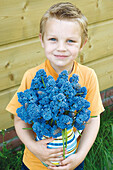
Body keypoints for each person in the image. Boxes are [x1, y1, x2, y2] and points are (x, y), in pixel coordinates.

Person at [6, 2, 104, 170]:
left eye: (70, 41)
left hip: (71, 161)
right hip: (35, 163)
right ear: (42, 40)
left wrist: (80, 156)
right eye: (53, 39)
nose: (61, 48)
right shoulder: (32, 76)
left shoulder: (88, 76)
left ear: (82, 44)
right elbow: (20, 118)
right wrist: (34, 148)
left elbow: (92, 121)